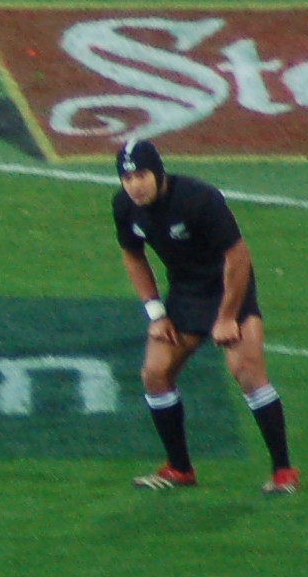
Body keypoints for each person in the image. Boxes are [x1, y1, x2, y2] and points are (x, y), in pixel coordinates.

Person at [112, 138, 297, 495]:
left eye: (142, 175)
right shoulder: (124, 207)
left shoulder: (198, 199)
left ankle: (283, 472)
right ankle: (179, 469)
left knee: (246, 372)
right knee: (155, 372)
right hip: (185, 293)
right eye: (127, 177)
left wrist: (228, 316)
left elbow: (238, 257)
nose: (135, 184)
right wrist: (156, 312)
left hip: (230, 288)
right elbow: (132, 256)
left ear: (158, 172)